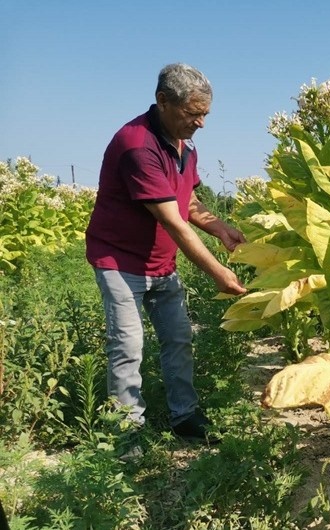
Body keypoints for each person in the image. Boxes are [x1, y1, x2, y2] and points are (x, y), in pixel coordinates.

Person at [85, 63, 247, 444]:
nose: (201, 123)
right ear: (162, 101)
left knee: (178, 339)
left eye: (205, 113)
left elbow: (187, 199)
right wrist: (218, 273)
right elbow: (174, 222)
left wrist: (220, 227)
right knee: (128, 346)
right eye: (193, 113)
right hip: (120, 262)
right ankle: (126, 436)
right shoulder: (137, 145)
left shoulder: (184, 144)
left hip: (161, 265)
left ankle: (185, 418)